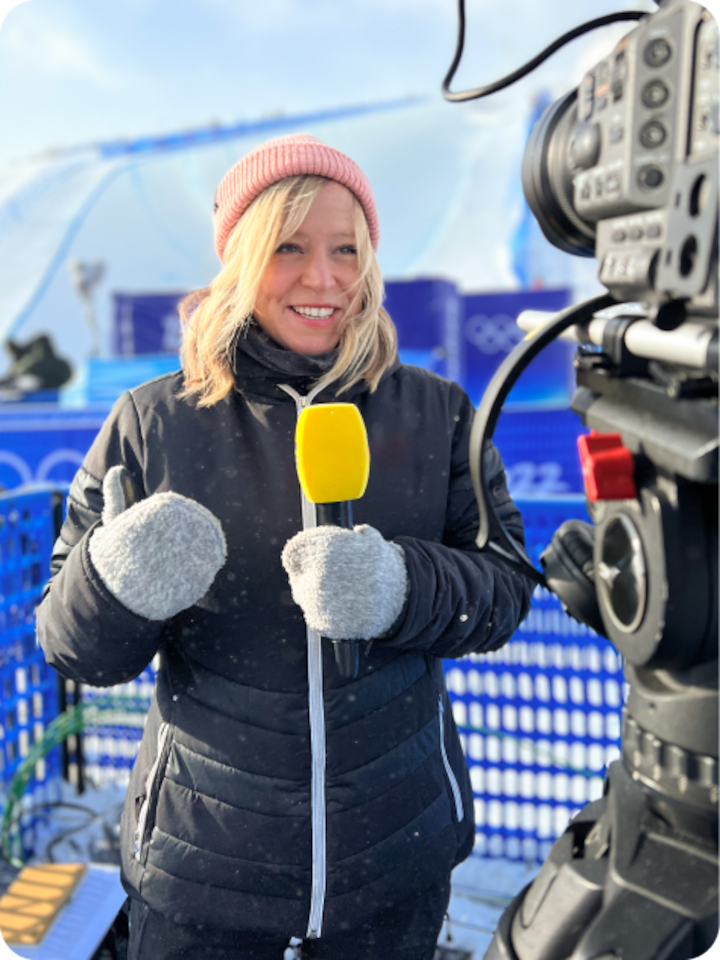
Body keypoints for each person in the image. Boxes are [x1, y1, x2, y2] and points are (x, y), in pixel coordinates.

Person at [36, 133, 533, 960]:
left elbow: (506, 585)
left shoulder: (438, 411)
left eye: (346, 249)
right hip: (204, 866)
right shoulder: (153, 422)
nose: (325, 278)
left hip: (393, 854)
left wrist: (400, 587)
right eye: (289, 248)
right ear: (241, 258)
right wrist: (116, 579)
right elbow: (69, 641)